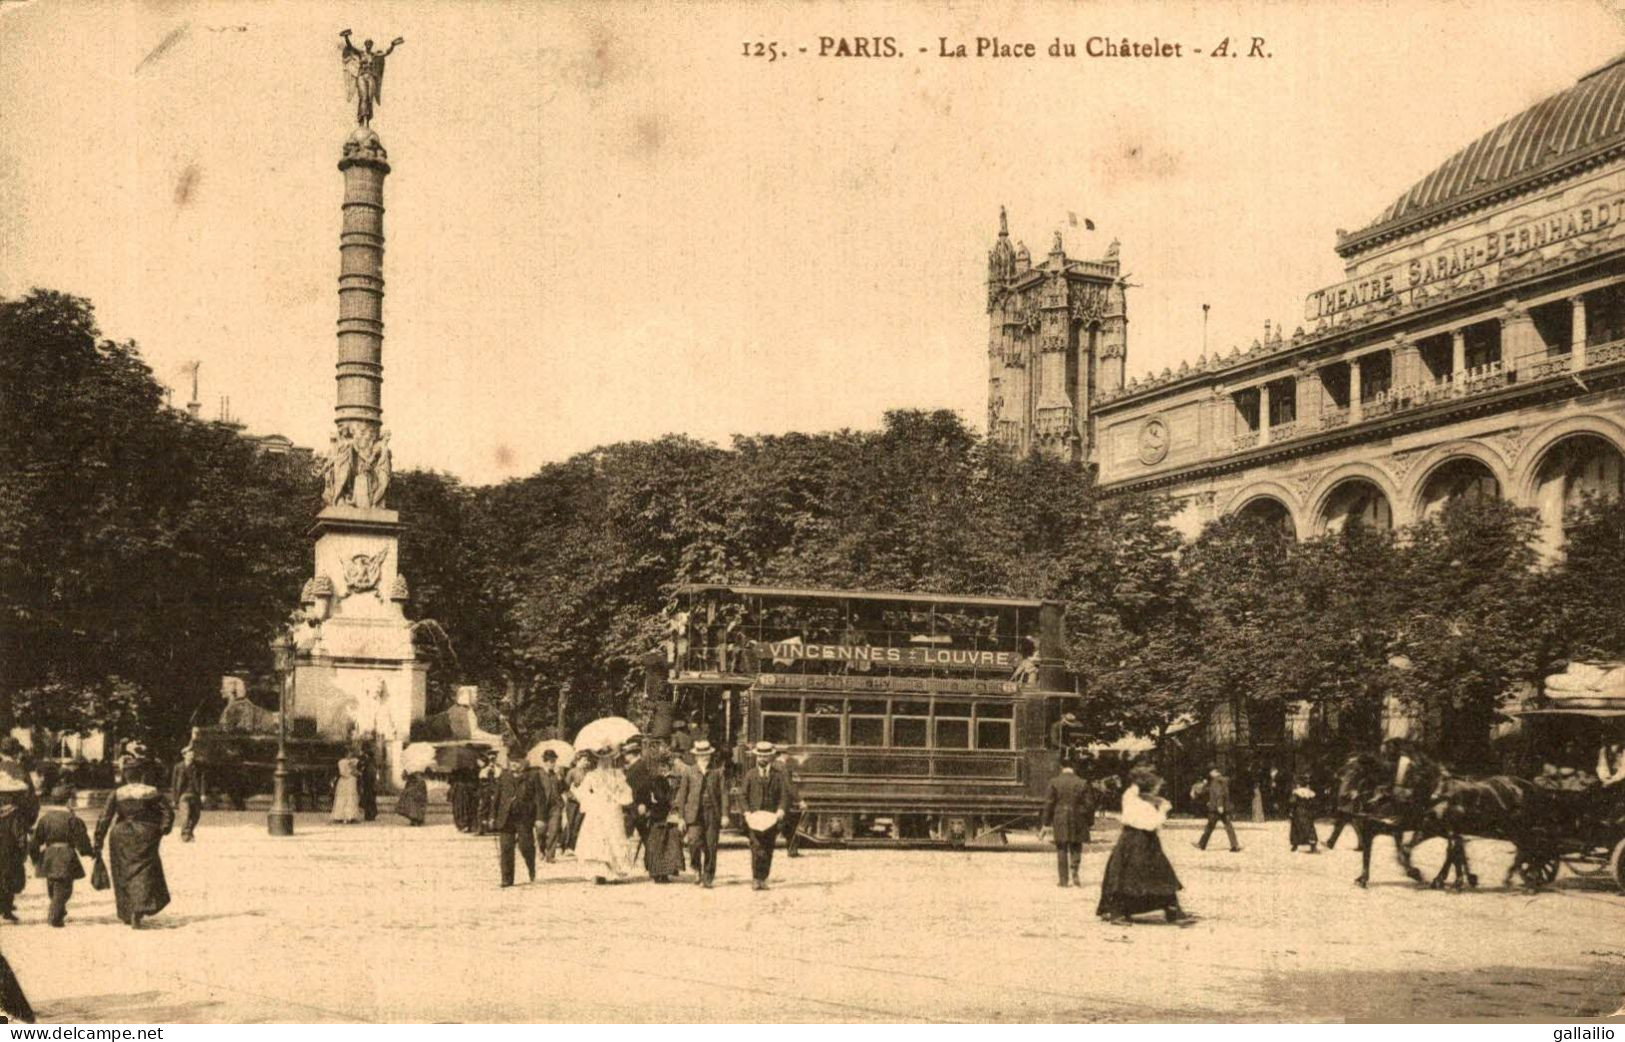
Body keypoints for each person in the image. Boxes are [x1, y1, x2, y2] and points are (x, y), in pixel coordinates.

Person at [1098, 766, 1188, 925]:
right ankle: (1118, 913)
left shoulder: (1132, 794)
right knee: (1134, 877)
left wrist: (1153, 798)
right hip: (1139, 840)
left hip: (1137, 840)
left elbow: (1139, 792)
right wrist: (1163, 810)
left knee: (1154, 874)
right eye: (1155, 787)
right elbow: (1151, 824)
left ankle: (1173, 910)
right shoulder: (1137, 801)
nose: (1157, 790)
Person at [93, 759, 173, 929]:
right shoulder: (151, 792)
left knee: (122, 872)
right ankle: (139, 908)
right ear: (142, 775)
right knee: (144, 871)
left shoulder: (117, 793)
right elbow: (168, 812)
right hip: (146, 833)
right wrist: (162, 830)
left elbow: (104, 818)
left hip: (121, 835)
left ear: (125, 776)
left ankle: (127, 910)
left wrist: (98, 841)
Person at [28, 782, 92, 927]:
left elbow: (34, 842)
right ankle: (55, 916)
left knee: (53, 887)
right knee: (65, 888)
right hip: (66, 855)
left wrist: (36, 858)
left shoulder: (45, 819)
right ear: (68, 800)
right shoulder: (72, 819)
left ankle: (58, 911)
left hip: (49, 856)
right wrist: (88, 852)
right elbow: (81, 839)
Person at [572, 741, 635, 883]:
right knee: (598, 839)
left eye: (608, 757)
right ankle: (599, 872)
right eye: (602, 758)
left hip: (612, 810)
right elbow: (583, 793)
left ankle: (613, 871)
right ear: (598, 759)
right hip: (598, 811)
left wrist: (616, 797)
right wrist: (594, 799)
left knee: (613, 838)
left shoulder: (618, 775)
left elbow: (627, 793)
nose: (605, 761)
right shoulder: (592, 776)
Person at [0, 741, 40, 924]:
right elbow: (31, 801)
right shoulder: (20, 771)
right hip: (13, 822)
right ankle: (6, 908)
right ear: (16, 753)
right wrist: (28, 822)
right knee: (10, 862)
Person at [742, 741, 790, 891]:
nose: (762, 758)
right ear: (756, 757)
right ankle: (756, 878)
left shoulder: (778, 775)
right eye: (760, 755)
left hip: (771, 817)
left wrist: (781, 809)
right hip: (754, 817)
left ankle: (764, 878)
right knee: (756, 848)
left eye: (765, 755)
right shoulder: (750, 774)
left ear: (770, 757)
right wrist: (747, 812)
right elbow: (743, 795)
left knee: (768, 848)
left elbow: (784, 794)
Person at [1042, 757, 1094, 887]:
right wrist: (1089, 821)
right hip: (1078, 817)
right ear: (1074, 767)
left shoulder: (1054, 782)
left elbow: (1049, 804)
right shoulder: (1083, 782)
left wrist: (1045, 823)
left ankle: (1063, 880)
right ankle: (1075, 871)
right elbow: (1090, 805)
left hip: (1060, 818)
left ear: (1061, 767)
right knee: (1076, 846)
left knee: (1061, 848)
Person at [493, 751, 538, 886]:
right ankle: (507, 879)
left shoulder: (531, 777)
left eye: (517, 761)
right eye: (511, 761)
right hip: (506, 818)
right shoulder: (504, 776)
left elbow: (539, 799)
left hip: (524, 818)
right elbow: (497, 797)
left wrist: (539, 817)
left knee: (526, 846)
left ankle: (531, 866)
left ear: (524, 762)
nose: (513, 764)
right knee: (506, 848)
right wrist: (491, 816)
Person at [685, 739, 726, 887]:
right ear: (696, 756)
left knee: (711, 845)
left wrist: (725, 815)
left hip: (712, 812)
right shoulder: (689, 771)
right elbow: (683, 794)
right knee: (693, 841)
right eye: (701, 755)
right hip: (694, 813)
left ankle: (708, 876)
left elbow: (724, 793)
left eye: (707, 754)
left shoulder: (717, 771)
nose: (705, 757)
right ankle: (696, 867)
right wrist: (680, 817)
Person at [1192, 767, 1242, 853]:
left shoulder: (1216, 781)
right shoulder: (1223, 781)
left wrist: (1219, 805)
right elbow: (1218, 793)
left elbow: (1219, 794)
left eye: (1211, 772)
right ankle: (1235, 845)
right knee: (1228, 826)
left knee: (1210, 826)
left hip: (1216, 809)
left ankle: (1201, 844)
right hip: (1223, 807)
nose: (1210, 774)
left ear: (1214, 772)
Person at [170, 746, 204, 842]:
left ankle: (189, 832)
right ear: (184, 755)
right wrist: (174, 798)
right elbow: (174, 783)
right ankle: (185, 835)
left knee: (196, 816)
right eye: (189, 754)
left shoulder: (198, 766)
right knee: (186, 815)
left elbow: (203, 780)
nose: (192, 756)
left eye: (193, 754)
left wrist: (203, 794)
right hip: (183, 795)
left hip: (195, 794)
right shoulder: (178, 767)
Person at [536, 750, 564, 862]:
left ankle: (550, 855)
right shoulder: (539, 774)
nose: (553, 763)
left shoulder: (556, 774)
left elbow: (563, 788)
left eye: (554, 761)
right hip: (542, 806)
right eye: (551, 761)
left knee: (554, 829)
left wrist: (560, 777)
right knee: (541, 831)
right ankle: (541, 849)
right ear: (545, 761)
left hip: (555, 805)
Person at [564, 751, 592, 853]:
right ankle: (565, 845)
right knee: (570, 823)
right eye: (584, 760)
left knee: (578, 824)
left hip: (584, 802)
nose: (586, 762)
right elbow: (566, 787)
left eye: (587, 760)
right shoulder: (572, 772)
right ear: (578, 760)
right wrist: (573, 796)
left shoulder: (588, 772)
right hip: (572, 802)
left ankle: (573, 846)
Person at [780, 753, 807, 857]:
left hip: (780, 799)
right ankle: (792, 850)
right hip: (784, 800)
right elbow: (789, 786)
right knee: (790, 825)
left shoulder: (777, 766)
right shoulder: (783, 768)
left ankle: (792, 849)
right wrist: (799, 800)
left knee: (786, 825)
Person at [1288, 773, 1320, 853]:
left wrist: (1291, 811)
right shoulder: (1310, 793)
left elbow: (1292, 802)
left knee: (1296, 829)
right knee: (1310, 828)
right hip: (1308, 813)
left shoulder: (1296, 793)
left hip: (1298, 813)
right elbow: (1314, 803)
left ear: (1298, 784)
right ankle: (1313, 845)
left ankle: (1295, 845)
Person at [330, 752, 361, 824]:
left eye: (351, 754)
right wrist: (351, 771)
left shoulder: (355, 761)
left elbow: (356, 770)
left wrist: (355, 772)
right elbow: (342, 772)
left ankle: (351, 816)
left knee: (351, 798)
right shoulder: (342, 762)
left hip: (351, 782)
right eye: (348, 753)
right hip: (344, 782)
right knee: (342, 798)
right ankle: (340, 816)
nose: (350, 755)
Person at [448, 763, 478, 833]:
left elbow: (450, 781)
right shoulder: (470, 769)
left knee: (461, 808)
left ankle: (462, 825)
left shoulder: (457, 769)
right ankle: (464, 825)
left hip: (461, 790)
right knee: (463, 808)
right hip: (463, 791)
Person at [476, 753, 500, 836]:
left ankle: (482, 829)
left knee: (483, 810)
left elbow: (492, 783)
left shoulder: (489, 770)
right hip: (485, 791)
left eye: (479, 761)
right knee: (484, 810)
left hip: (487, 792)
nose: (478, 763)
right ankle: (483, 828)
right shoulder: (485, 769)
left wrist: (492, 793)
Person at [356, 745, 379, 822]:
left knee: (368, 798)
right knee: (371, 798)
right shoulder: (373, 761)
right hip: (370, 781)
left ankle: (370, 814)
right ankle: (371, 814)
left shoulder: (366, 761)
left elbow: (359, 767)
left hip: (368, 781)